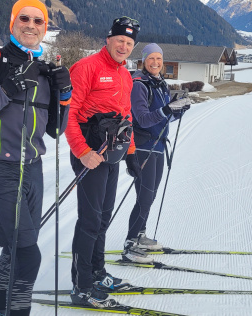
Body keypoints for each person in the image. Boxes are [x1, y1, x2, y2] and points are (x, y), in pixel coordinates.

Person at [0, 0, 72, 315]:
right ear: (13, 23)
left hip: (33, 170)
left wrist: (65, 95)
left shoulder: (45, 70)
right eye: (25, 18)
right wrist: (6, 90)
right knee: (28, 255)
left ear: (45, 28)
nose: (31, 25)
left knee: (14, 250)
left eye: (39, 21)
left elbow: (56, 130)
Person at [64, 16, 141, 308]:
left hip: (112, 155)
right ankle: (82, 286)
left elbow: (126, 119)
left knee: (103, 219)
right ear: (108, 40)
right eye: (119, 40)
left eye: (129, 43)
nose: (123, 46)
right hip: (89, 156)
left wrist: (131, 154)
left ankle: (97, 274)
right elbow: (68, 114)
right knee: (90, 221)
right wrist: (83, 151)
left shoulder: (125, 75)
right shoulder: (86, 68)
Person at [122, 43, 191, 263]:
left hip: (159, 146)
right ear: (143, 61)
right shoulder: (139, 85)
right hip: (143, 147)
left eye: (158, 59)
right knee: (144, 197)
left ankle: (140, 235)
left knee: (150, 196)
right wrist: (167, 109)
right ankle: (131, 243)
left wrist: (177, 111)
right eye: (151, 58)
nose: (155, 63)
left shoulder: (161, 84)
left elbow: (163, 118)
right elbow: (141, 118)